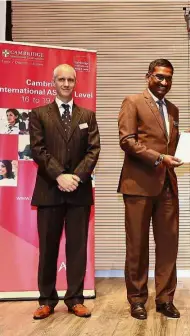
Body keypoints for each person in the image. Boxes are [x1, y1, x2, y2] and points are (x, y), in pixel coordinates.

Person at [29, 64, 101, 320]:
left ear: (76, 83)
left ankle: (75, 299)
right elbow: (38, 150)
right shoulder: (38, 114)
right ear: (53, 82)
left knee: (77, 249)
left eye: (71, 79)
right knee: (48, 248)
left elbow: (94, 150)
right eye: (62, 79)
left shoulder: (87, 115)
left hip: (78, 192)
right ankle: (46, 299)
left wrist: (76, 178)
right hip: (49, 190)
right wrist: (60, 175)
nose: (67, 84)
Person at [118, 59, 183, 320]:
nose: (164, 83)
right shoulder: (132, 102)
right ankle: (137, 300)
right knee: (137, 246)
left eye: (168, 78)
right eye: (159, 77)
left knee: (168, 246)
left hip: (167, 185)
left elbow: (169, 145)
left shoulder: (173, 109)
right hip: (138, 185)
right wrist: (159, 158)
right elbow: (127, 141)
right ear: (148, 76)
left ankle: (165, 299)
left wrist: (185, 141)